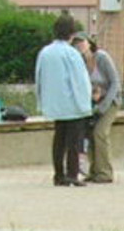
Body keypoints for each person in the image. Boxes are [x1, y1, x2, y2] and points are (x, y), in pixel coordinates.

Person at [35, 13, 94, 186]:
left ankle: (58, 175)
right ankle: (72, 175)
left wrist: (43, 101)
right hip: (72, 105)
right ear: (72, 33)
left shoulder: (45, 53)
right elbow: (80, 81)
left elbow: (39, 78)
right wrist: (85, 104)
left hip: (54, 104)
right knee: (73, 142)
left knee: (59, 140)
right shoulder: (71, 54)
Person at [83, 36, 122, 183]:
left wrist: (105, 102)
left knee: (100, 133)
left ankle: (105, 172)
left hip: (111, 101)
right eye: (76, 43)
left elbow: (115, 82)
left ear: (89, 43)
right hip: (94, 103)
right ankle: (94, 171)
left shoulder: (102, 57)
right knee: (90, 133)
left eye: (82, 42)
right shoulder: (80, 62)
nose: (80, 45)